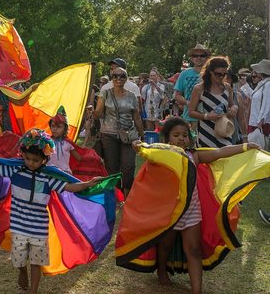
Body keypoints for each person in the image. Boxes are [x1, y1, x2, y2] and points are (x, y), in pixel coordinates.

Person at [132, 117, 260, 294]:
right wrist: (137, 145)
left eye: (185, 135)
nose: (181, 138)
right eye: (176, 135)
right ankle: (162, 271)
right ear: (168, 138)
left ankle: (196, 290)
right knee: (165, 245)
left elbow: (220, 152)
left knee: (193, 249)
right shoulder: (161, 153)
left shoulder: (195, 155)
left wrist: (245, 147)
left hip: (192, 210)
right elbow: (145, 151)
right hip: (169, 213)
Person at [0, 129, 102, 294]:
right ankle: (21, 271)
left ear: (45, 159)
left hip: (39, 229)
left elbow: (69, 186)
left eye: (35, 160)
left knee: (36, 262)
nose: (30, 163)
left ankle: (33, 291)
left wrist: (86, 184)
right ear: (22, 155)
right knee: (19, 260)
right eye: (27, 158)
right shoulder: (16, 170)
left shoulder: (48, 178)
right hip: (18, 226)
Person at [94, 67, 144, 196]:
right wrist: (90, 111)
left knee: (128, 167)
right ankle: (116, 196)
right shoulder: (105, 93)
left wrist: (142, 135)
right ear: (112, 78)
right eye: (115, 76)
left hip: (128, 135)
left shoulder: (131, 96)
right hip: (108, 134)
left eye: (122, 76)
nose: (118, 78)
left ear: (126, 79)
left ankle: (127, 196)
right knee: (112, 167)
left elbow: (137, 117)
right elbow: (98, 113)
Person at [188, 56, 236, 148]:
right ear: (210, 72)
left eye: (224, 74)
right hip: (206, 133)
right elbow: (191, 112)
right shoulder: (199, 89)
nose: (221, 77)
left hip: (224, 131)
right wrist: (206, 116)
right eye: (218, 74)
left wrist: (234, 108)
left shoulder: (227, 87)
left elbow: (231, 105)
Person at [174, 44, 210, 130]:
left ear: (206, 58)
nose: (198, 58)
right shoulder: (184, 74)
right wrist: (188, 103)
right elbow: (177, 95)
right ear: (191, 58)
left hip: (208, 117)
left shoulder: (212, 73)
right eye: (195, 55)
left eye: (202, 55)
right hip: (189, 117)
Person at [48, 106, 82, 173]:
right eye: (53, 126)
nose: (55, 129)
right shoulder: (46, 140)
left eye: (59, 127)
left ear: (65, 129)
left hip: (65, 173)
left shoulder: (68, 143)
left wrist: (93, 159)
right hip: (49, 172)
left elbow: (80, 158)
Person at [246, 59, 270, 150]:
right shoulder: (263, 84)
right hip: (256, 124)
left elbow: (267, 104)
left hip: (260, 126)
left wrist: (261, 120)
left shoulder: (268, 84)